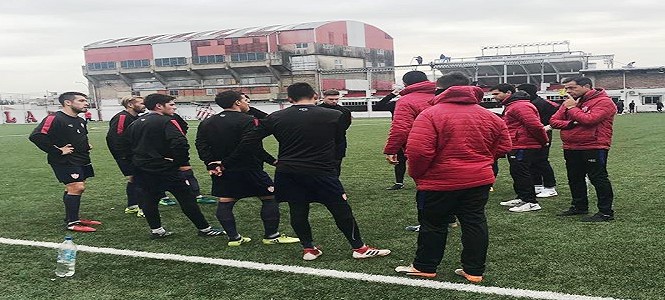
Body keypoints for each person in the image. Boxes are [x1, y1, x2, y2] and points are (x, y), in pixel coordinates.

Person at [226, 82, 390, 260]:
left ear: (289, 99)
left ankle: (309, 249)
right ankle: (359, 248)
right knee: (340, 209)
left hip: (288, 171)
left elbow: (248, 142)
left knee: (298, 208)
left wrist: (226, 162)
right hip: (321, 170)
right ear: (315, 96)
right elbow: (337, 140)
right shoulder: (334, 115)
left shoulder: (276, 117)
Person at [395, 84, 511, 282]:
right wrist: (482, 160)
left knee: (433, 224)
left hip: (440, 181)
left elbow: (419, 152)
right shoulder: (490, 115)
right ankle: (474, 271)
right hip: (478, 179)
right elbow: (504, 146)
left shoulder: (430, 114)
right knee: (474, 222)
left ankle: (425, 266)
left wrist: (417, 174)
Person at [195, 91, 299, 246]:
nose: (247, 104)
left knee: (226, 201)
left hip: (222, 170)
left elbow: (200, 145)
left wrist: (212, 163)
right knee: (270, 197)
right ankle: (272, 236)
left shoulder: (207, 122)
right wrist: (272, 161)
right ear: (237, 102)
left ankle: (234, 239)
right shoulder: (249, 120)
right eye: (245, 100)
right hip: (248, 167)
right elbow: (251, 147)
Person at [118, 93, 224, 238]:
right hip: (165, 168)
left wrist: (136, 161)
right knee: (186, 197)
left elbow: (123, 145)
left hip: (142, 168)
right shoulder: (167, 121)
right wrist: (178, 162)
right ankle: (204, 229)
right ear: (159, 106)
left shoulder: (135, 123)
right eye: (171, 104)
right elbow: (180, 142)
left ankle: (157, 230)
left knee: (149, 199)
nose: (174, 107)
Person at [29, 92, 101, 232]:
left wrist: (86, 145)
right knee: (77, 187)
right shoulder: (54, 118)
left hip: (82, 159)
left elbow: (78, 136)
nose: (86, 103)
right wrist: (58, 150)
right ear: (68, 102)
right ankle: (73, 223)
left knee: (73, 188)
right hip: (64, 160)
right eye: (81, 100)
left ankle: (72, 217)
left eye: (86, 100)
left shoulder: (80, 120)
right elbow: (36, 136)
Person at [550, 77, 617, 222]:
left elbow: (590, 120)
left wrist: (572, 109)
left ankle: (606, 212)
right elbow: (553, 121)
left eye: (572, 88)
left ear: (587, 86)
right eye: (566, 88)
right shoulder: (570, 101)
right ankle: (579, 206)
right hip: (571, 145)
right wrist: (571, 123)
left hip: (594, 145)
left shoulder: (603, 101)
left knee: (598, 178)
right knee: (574, 178)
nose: (568, 91)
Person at [491, 85, 549, 212]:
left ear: (508, 93)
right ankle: (522, 197)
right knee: (517, 171)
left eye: (496, 94)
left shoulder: (520, 106)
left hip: (523, 144)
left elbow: (535, 125)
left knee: (522, 172)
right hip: (517, 143)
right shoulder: (512, 105)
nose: (494, 97)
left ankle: (530, 201)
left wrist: (544, 141)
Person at [106, 96, 146, 217]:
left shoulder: (136, 117)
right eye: (141, 103)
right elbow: (115, 138)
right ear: (130, 105)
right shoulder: (122, 117)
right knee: (141, 179)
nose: (144, 105)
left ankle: (132, 205)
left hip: (134, 155)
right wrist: (123, 156)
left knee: (134, 179)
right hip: (127, 156)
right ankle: (142, 208)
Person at [517, 83, 560, 198]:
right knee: (532, 161)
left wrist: (549, 126)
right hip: (532, 136)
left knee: (542, 161)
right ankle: (537, 185)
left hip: (543, 134)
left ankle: (550, 187)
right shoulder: (530, 103)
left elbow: (560, 114)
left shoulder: (542, 103)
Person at [374, 87, 407, 190]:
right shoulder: (397, 104)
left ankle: (423, 182)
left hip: (418, 133)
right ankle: (399, 182)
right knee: (400, 159)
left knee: (421, 159)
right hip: (401, 134)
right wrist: (392, 94)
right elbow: (378, 106)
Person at [318, 89, 352, 175]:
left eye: (336, 99)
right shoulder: (316, 110)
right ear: (323, 98)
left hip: (338, 143)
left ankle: (334, 185)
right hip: (319, 144)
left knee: (336, 166)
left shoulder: (345, 111)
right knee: (319, 166)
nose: (334, 101)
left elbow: (345, 126)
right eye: (331, 99)